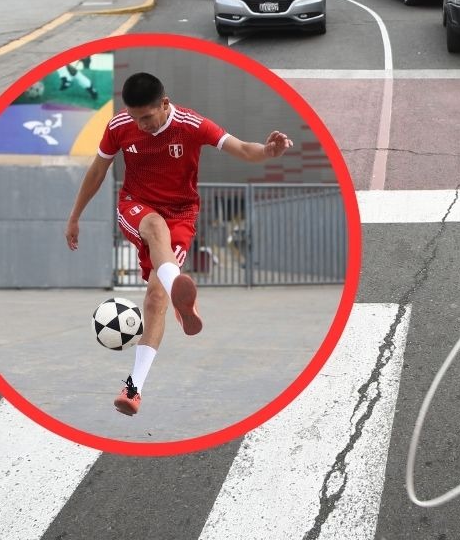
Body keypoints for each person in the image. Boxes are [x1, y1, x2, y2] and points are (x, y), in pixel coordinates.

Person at [65, 72, 293, 416]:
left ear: (165, 103)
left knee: (155, 297)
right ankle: (180, 290)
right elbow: (97, 172)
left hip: (182, 215)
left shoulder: (191, 124)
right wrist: (74, 216)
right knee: (155, 226)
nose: (140, 125)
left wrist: (268, 151)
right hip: (136, 206)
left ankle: (133, 389)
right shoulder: (119, 126)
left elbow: (244, 149)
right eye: (135, 117)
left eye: (146, 117)